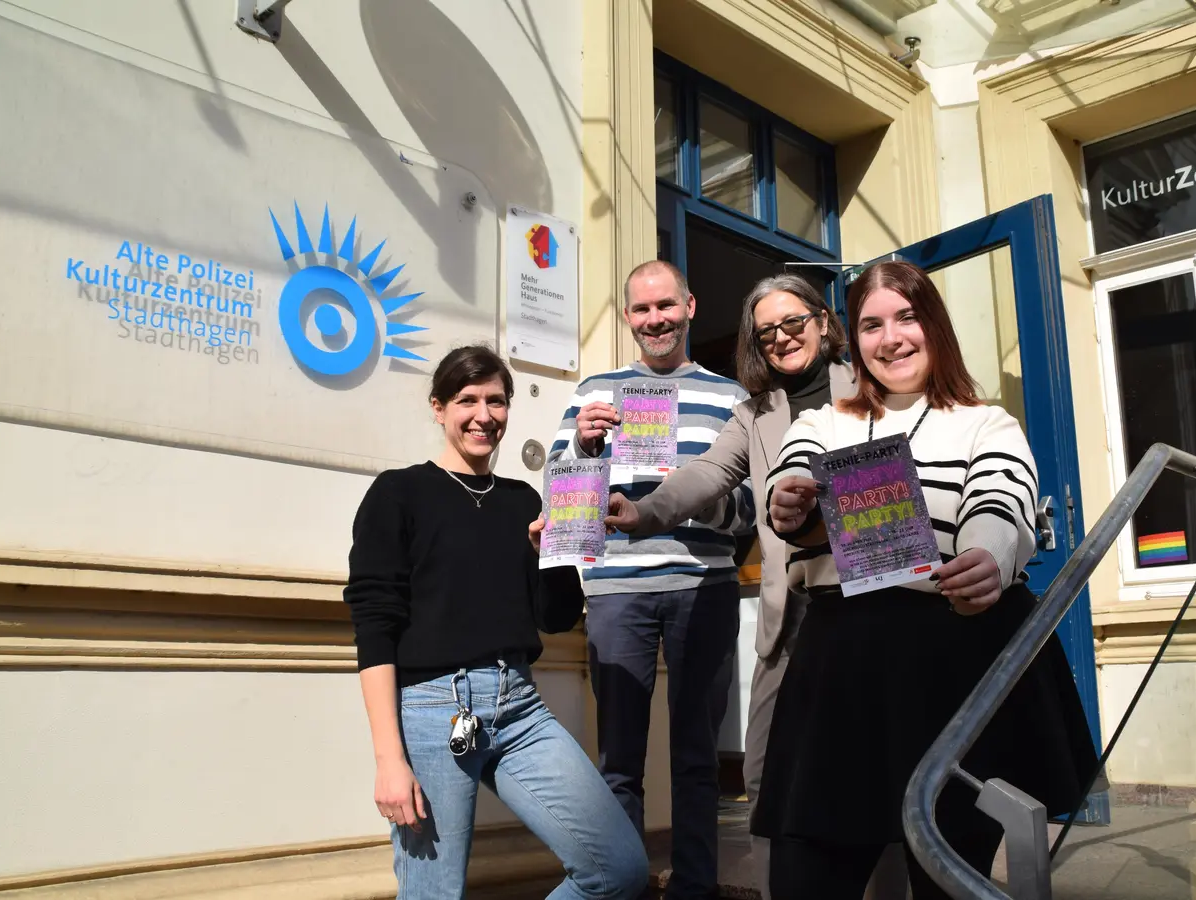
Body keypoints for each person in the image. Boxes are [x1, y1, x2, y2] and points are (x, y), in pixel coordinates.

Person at [754, 262, 1099, 900]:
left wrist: (987, 559)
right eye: (870, 325)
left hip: (953, 656)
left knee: (945, 871)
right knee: (806, 870)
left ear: (934, 324)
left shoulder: (986, 423)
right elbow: (792, 489)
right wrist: (789, 502)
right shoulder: (822, 424)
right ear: (852, 342)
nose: (891, 339)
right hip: (840, 666)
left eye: (906, 317)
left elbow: (1001, 502)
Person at [601, 273, 907, 900]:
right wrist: (644, 511)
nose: (781, 338)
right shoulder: (755, 411)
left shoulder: (874, 384)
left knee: (878, 773)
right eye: (766, 331)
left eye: (793, 323)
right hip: (791, 618)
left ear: (824, 323)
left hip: (876, 613)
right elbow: (709, 473)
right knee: (767, 772)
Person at [345, 345, 649, 900]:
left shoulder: (522, 500)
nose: (483, 414)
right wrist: (389, 759)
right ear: (438, 407)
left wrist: (548, 556)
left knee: (619, 868)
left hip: (521, 708)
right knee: (434, 894)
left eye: (496, 401)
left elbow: (554, 618)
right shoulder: (398, 492)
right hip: (433, 709)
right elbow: (373, 625)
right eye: (467, 400)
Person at [549, 259, 754, 900]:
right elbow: (558, 496)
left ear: (690, 307)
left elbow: (747, 512)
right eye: (642, 310)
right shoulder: (593, 392)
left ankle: (695, 887)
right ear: (628, 317)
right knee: (618, 760)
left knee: (697, 757)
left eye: (665, 306)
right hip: (616, 588)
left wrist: (686, 495)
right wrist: (581, 448)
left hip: (705, 583)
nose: (655, 320)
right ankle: (624, 885)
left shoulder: (732, 399)